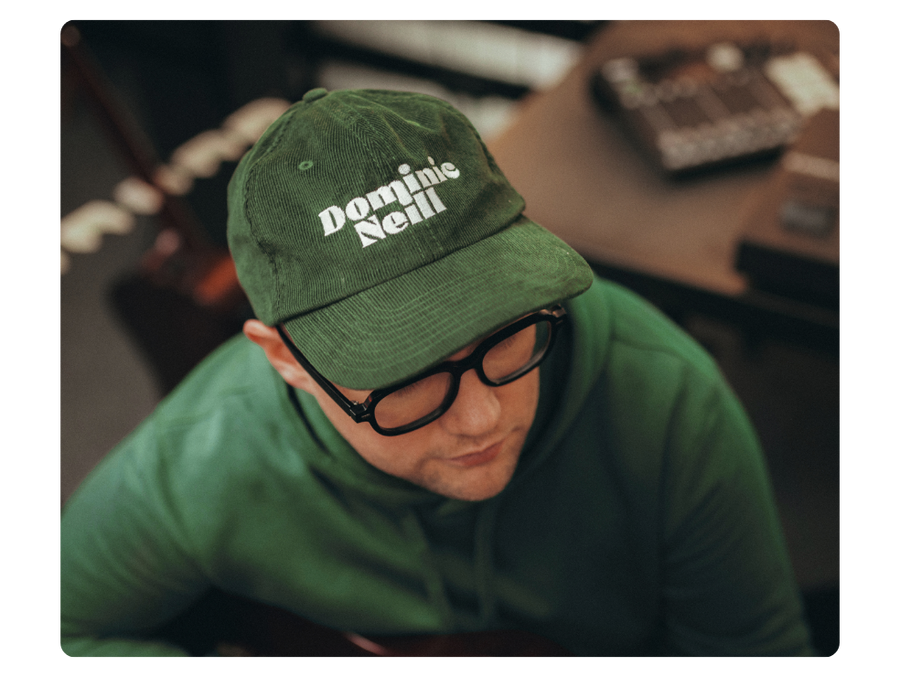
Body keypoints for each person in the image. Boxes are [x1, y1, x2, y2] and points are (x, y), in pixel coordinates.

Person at [58, 88, 815, 659]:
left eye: (505, 335)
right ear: (285, 358)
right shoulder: (201, 458)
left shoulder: (668, 400)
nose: (484, 415)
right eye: (405, 374)